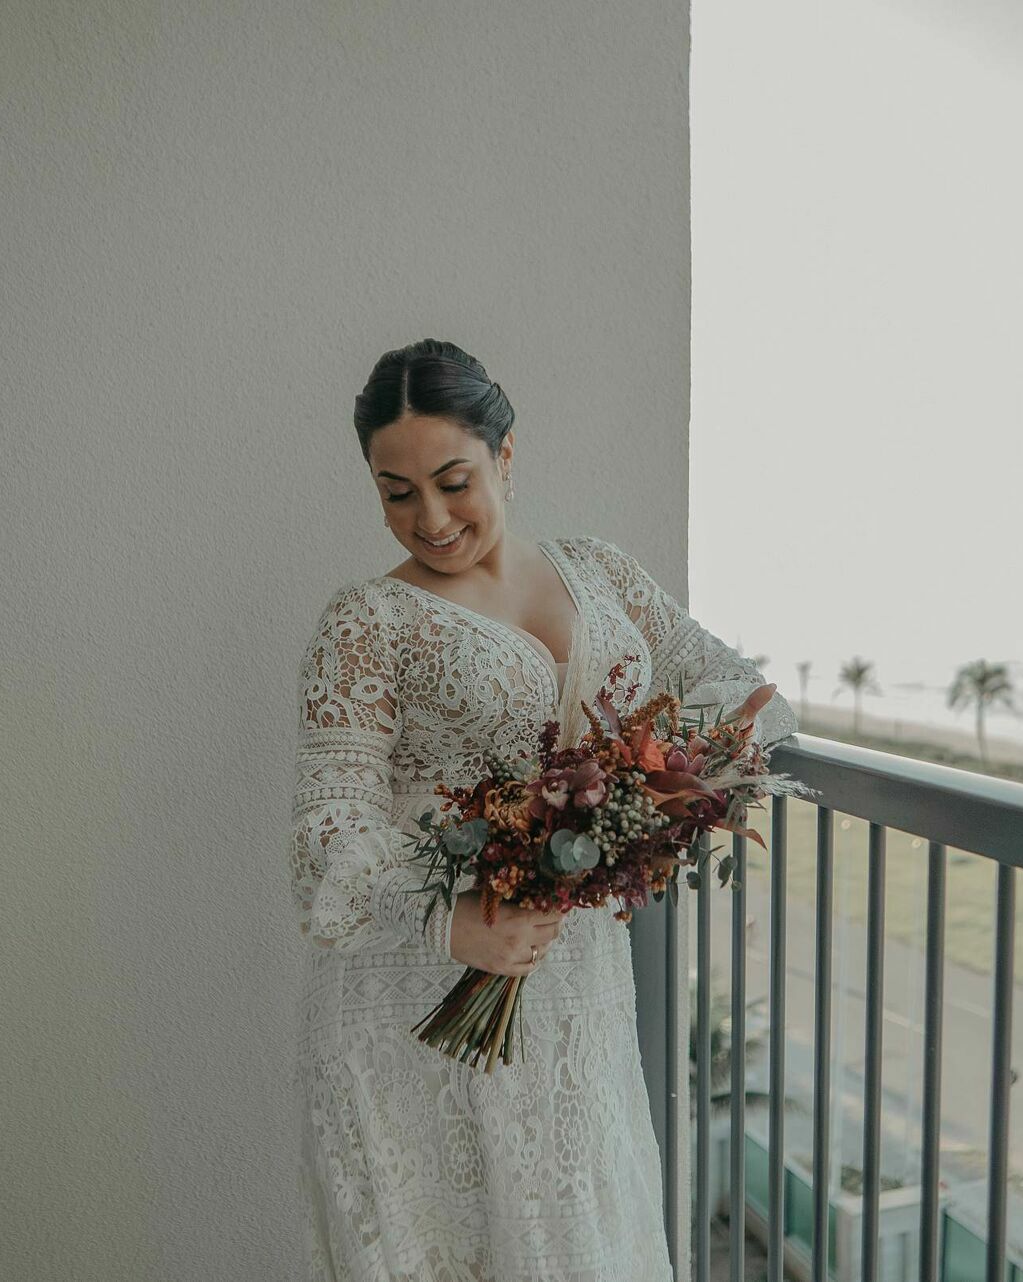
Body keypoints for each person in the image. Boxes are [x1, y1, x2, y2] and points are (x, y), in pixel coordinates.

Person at [290, 339, 797, 1281]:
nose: (430, 519)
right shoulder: (366, 619)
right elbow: (327, 837)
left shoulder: (597, 572)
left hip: (577, 993)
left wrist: (654, 796)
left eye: (453, 480)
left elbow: (737, 690)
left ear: (506, 455)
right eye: (396, 493)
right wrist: (455, 921)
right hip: (421, 995)